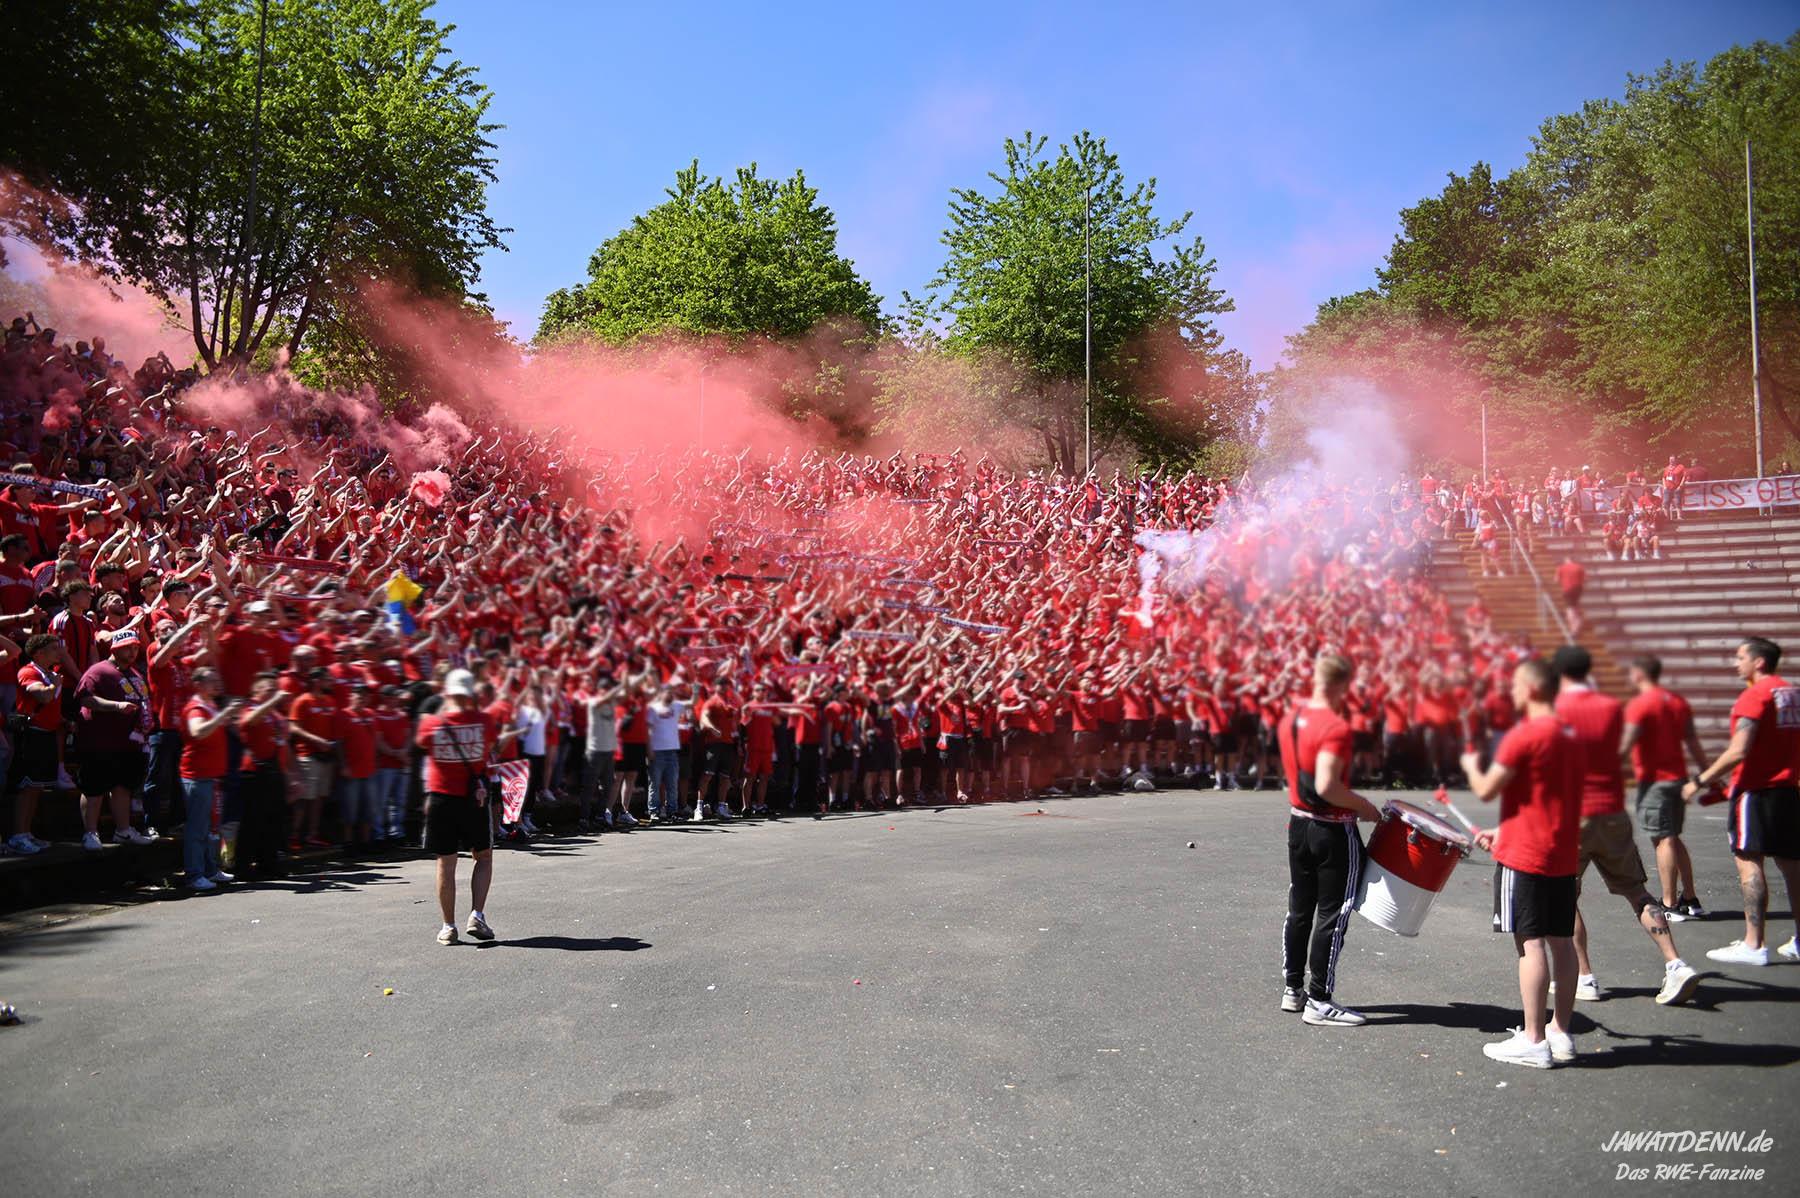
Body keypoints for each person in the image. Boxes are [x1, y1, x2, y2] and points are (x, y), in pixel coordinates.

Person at [1551, 646, 1698, 1007]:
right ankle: (1675, 963)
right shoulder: (1612, 707)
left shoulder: (1555, 709)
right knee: (1637, 892)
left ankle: (1583, 976)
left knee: (1563, 897)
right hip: (1611, 810)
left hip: (1572, 814)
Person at [1461, 658, 1581, 1068]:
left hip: (1526, 856)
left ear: (1531, 688)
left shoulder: (1524, 734)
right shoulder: (1570, 735)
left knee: (1530, 945)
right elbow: (1546, 799)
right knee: (1562, 942)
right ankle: (1560, 1031)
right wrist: (1504, 829)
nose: (1511, 692)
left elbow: (1486, 788)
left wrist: (1469, 765)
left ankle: (1533, 1039)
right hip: (1561, 851)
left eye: (1515, 686)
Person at [1274, 652, 1383, 1027]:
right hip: (1332, 830)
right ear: (1343, 684)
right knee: (1333, 914)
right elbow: (1326, 786)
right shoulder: (1335, 726)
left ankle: (1293, 989)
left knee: (1300, 908)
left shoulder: (1291, 717)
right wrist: (1365, 807)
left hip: (1298, 824)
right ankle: (1319, 999)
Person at [1684, 637, 1800, 966]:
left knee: (1749, 862)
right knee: (1792, 866)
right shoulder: (1792, 693)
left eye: (1740, 658)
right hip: (1787, 790)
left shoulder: (1755, 695)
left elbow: (1739, 750)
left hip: (1756, 792)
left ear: (1758, 662)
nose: (1736, 664)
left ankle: (1754, 943)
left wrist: (1699, 781)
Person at [1620, 656, 1708, 919]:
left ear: (1638, 673)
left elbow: (1626, 743)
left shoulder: (1640, 704)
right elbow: (1691, 740)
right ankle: (1690, 898)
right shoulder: (1677, 701)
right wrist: (1707, 773)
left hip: (1655, 781)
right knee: (1672, 837)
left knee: (1664, 840)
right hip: (1677, 778)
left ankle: (1669, 904)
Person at [415, 668, 495, 945]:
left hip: (441, 798)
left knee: (445, 863)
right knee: (483, 857)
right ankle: (477, 914)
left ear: (447, 692)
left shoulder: (431, 723)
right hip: (474, 797)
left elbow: (421, 744)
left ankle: (448, 926)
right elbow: (489, 748)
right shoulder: (484, 721)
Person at [73, 629, 157, 849]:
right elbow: (85, 699)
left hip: (128, 743)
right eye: (128, 648)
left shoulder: (134, 673)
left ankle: (123, 830)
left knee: (123, 787)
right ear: (115, 648)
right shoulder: (98, 671)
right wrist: (115, 706)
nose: (133, 652)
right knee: (94, 788)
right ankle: (91, 833)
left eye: (136, 647)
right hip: (100, 742)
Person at [180, 667, 243, 891]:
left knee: (209, 828)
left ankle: (210, 869)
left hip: (211, 777)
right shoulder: (195, 708)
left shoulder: (211, 706)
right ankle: (194, 874)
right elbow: (197, 732)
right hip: (197, 777)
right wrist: (224, 716)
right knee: (198, 829)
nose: (217, 683)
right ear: (198, 684)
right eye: (211, 680)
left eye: (218, 679)